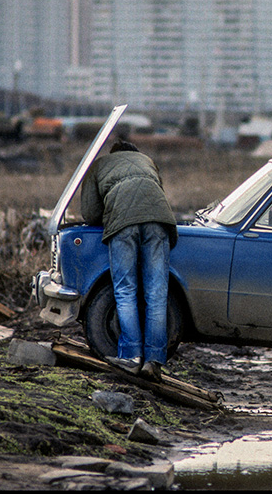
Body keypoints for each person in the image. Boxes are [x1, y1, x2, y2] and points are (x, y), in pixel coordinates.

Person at [80, 139, 178, 380]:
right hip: (159, 222)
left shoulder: (99, 165)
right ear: (135, 154)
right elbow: (159, 195)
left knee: (125, 291)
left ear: (114, 153)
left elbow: (90, 213)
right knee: (156, 293)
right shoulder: (147, 161)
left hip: (123, 225)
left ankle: (131, 357)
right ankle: (153, 361)